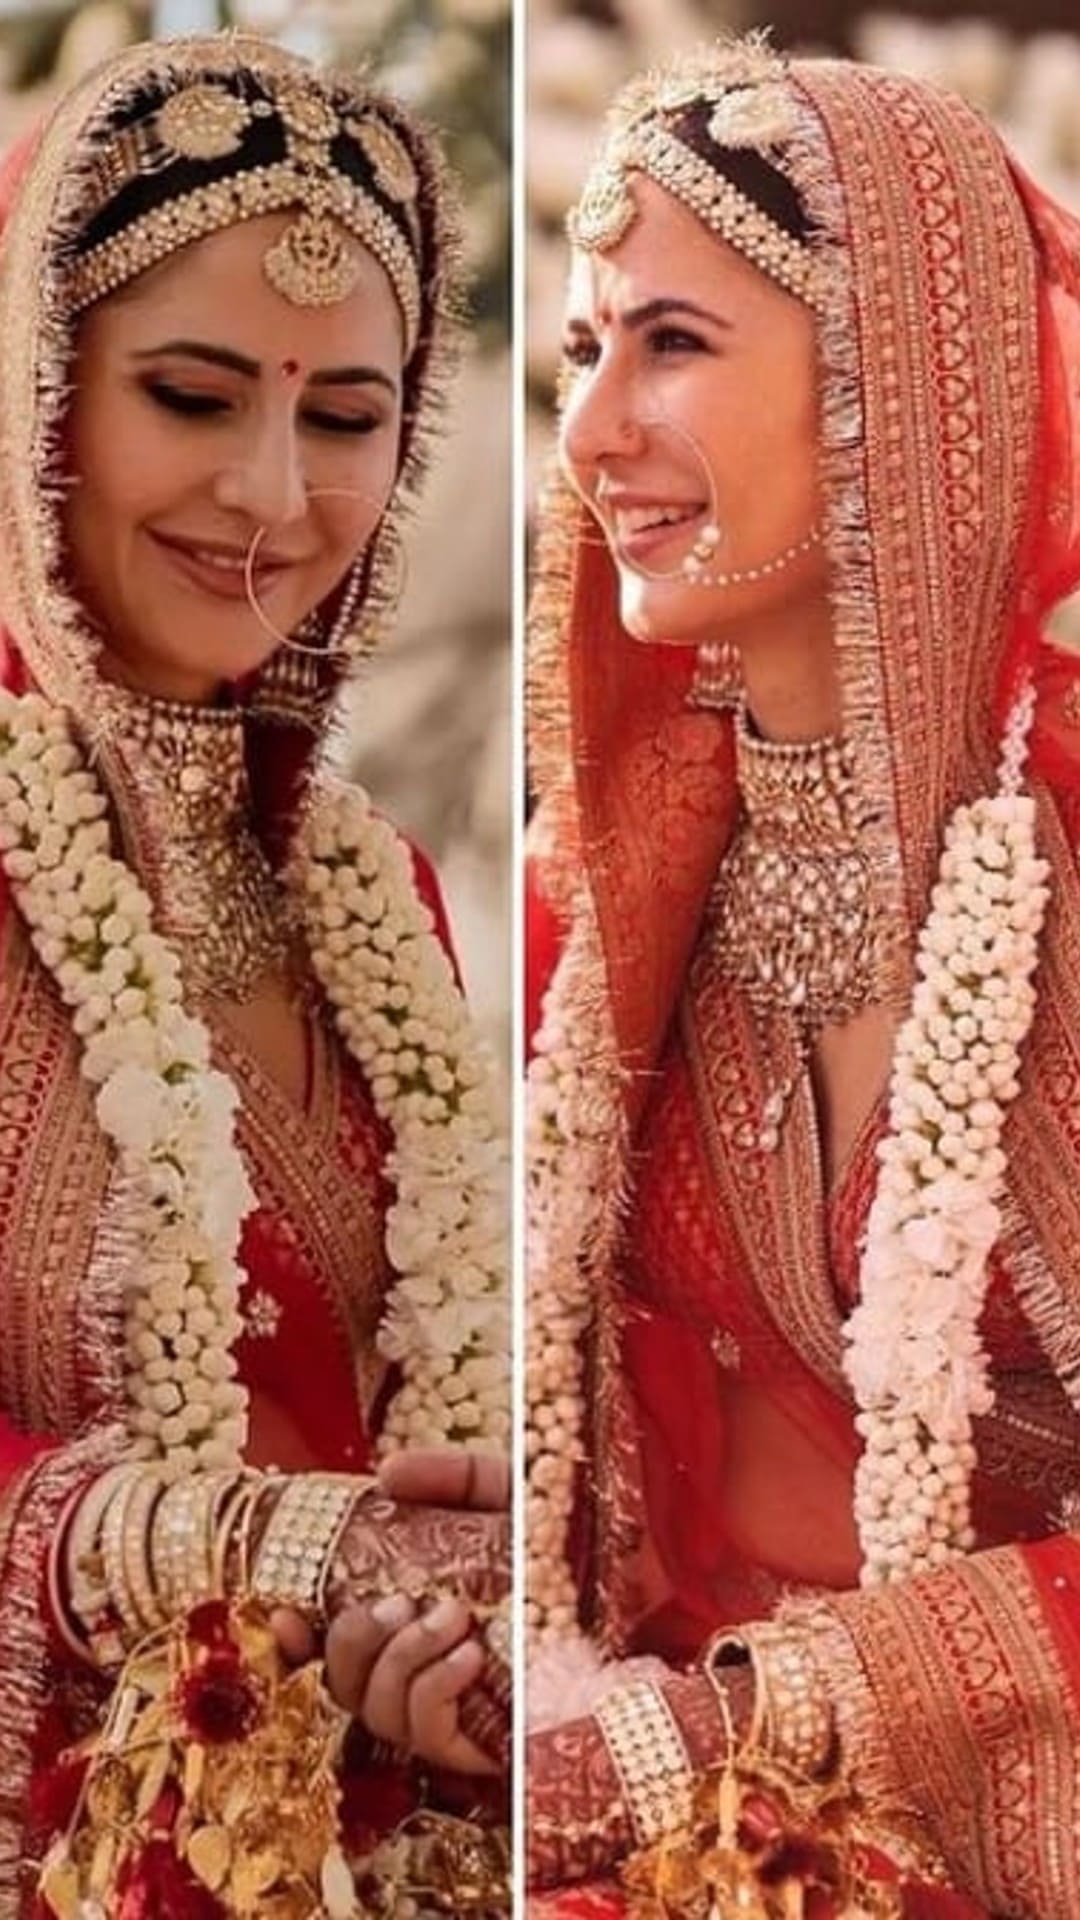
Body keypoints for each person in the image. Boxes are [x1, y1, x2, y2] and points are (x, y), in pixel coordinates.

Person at [525, 35, 1080, 1919]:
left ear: (891, 398)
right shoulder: (637, 875)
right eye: (587, 349)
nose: (591, 432)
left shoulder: (1062, 869)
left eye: (669, 344)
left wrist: (760, 1721)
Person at [0, 31, 510, 1919]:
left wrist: (442, 1651)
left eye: (351, 416)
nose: (273, 497)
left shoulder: (368, 888)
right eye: (195, 396)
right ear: (33, 397)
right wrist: (255, 1544)